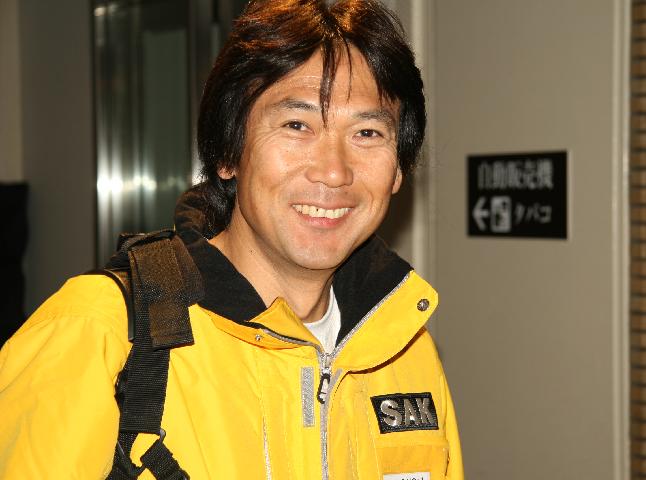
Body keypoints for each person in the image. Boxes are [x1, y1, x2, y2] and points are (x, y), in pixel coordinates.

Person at [0, 0, 463, 478]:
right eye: (297, 125)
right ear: (228, 153)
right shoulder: (100, 332)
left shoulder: (403, 349)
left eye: (367, 132)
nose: (334, 171)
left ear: (397, 171)